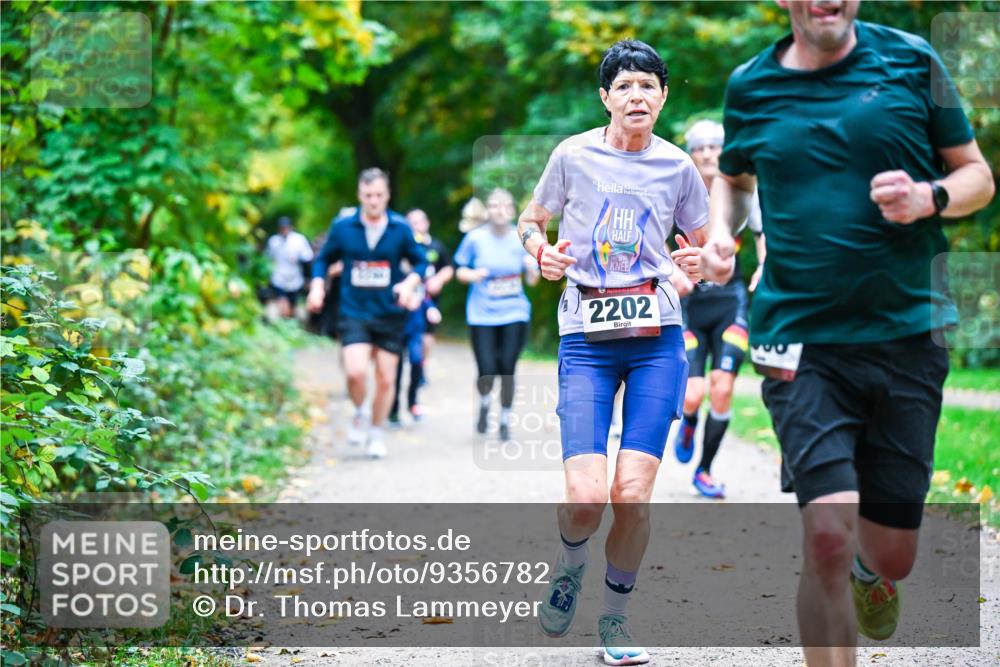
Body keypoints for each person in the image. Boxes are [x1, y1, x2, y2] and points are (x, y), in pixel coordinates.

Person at [707, 2, 994, 664]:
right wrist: (723, 233)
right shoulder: (751, 84)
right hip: (798, 337)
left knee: (891, 547)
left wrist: (930, 197)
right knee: (827, 536)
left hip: (907, 333)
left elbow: (978, 175)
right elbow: (733, 176)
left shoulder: (913, 62)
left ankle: (877, 571)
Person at [517, 40, 734, 665]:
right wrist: (541, 251)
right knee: (585, 499)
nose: (637, 95)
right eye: (625, 86)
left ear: (663, 97)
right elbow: (533, 222)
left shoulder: (679, 168)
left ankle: (614, 619)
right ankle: (570, 565)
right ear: (606, 97)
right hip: (586, 337)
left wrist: (700, 261)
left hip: (656, 339)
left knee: (632, 493)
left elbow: (706, 248)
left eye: (648, 86)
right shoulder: (572, 155)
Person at [669, 119, 766, 499]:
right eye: (700, 147)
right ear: (691, 154)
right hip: (691, 307)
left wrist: (764, 267)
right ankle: (689, 422)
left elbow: (762, 235)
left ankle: (705, 470)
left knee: (722, 388)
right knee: (693, 394)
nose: (708, 153)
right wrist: (670, 271)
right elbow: (651, 238)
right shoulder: (676, 190)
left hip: (731, 302)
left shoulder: (743, 191)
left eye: (715, 147)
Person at [307, 169, 428, 459]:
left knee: (387, 379)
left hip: (389, 313)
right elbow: (323, 259)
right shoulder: (344, 227)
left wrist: (410, 283)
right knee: (355, 371)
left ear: (387, 196)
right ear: (360, 195)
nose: (373, 201)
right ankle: (360, 410)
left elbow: (421, 263)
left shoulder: (399, 228)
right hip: (354, 311)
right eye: (368, 195)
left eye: (379, 195)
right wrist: (316, 287)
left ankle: (376, 431)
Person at [454, 188, 539, 442]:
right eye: (493, 206)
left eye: (504, 206)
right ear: (487, 210)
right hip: (482, 314)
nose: (499, 211)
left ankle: (503, 419)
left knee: (507, 367)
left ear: (512, 210)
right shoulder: (475, 238)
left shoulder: (521, 238)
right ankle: (483, 404)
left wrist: (530, 270)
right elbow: (458, 270)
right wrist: (472, 275)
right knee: (487, 369)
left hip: (514, 312)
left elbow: (533, 280)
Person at [389, 209, 453, 425]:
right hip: (396, 314)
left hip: (421, 309)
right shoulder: (397, 247)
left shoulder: (434, 247)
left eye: (420, 221)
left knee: (417, 359)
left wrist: (429, 302)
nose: (416, 225)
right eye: (412, 222)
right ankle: (394, 408)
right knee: (396, 364)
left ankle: (413, 401)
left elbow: (447, 269)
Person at [265, 216, 314, 319]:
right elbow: (267, 258)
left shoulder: (299, 240)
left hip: (295, 278)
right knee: (283, 304)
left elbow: (308, 257)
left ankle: (289, 324)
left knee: (293, 305)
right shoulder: (273, 241)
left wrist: (298, 259)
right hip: (279, 278)